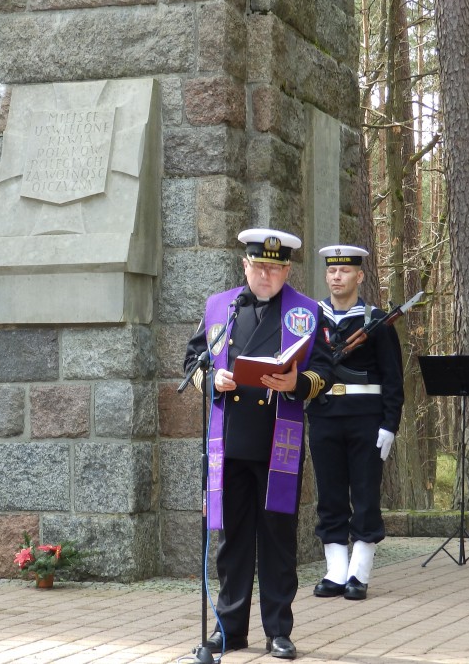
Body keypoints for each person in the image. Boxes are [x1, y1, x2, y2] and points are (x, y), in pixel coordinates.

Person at [184, 228, 327, 660]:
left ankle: (279, 631)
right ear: (244, 266)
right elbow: (193, 360)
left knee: (278, 538)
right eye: (258, 266)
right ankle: (229, 630)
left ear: (287, 270)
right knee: (234, 540)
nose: (266, 275)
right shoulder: (220, 307)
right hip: (229, 443)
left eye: (275, 267)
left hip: (277, 441)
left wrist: (297, 381)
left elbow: (325, 373)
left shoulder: (305, 311)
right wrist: (212, 378)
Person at [308, 245, 403, 600]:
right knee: (330, 495)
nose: (336, 277)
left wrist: (389, 424)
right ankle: (335, 570)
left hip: (366, 419)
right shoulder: (312, 319)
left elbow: (393, 378)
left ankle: (358, 572)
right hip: (324, 415)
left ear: (359, 276)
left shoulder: (376, 321)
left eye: (345, 271)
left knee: (364, 494)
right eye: (332, 271)